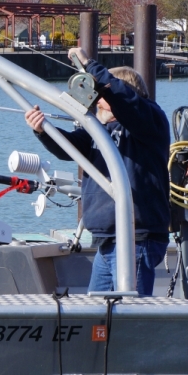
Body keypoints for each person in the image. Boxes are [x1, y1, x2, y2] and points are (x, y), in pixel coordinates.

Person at [24, 47, 170, 296]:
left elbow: (125, 101)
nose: (97, 98)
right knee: (97, 314)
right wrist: (42, 130)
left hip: (136, 238)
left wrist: (90, 65)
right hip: (107, 239)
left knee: (131, 313)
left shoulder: (150, 121)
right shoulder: (100, 130)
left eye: (103, 92)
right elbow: (68, 148)